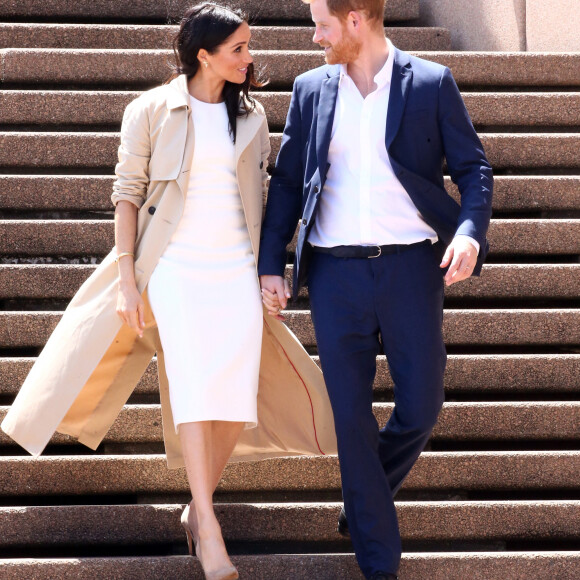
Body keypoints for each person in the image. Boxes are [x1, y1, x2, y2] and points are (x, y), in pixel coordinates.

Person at [1, 4, 337, 580]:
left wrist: (266, 269)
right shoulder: (150, 110)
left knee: (232, 394)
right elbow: (127, 194)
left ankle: (196, 506)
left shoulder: (252, 115)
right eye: (238, 49)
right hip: (174, 266)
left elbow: (261, 200)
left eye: (248, 46)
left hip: (234, 266)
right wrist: (129, 276)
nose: (249, 58)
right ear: (202, 54)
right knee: (193, 386)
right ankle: (207, 525)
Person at [258, 0, 493, 578]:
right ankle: (379, 563)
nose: (314, 36)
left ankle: (363, 501)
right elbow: (288, 181)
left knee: (421, 404)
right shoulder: (312, 88)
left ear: (357, 19)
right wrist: (271, 263)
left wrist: (468, 233)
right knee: (351, 416)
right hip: (336, 275)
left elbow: (473, 169)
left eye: (322, 23)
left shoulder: (431, 82)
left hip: (412, 269)